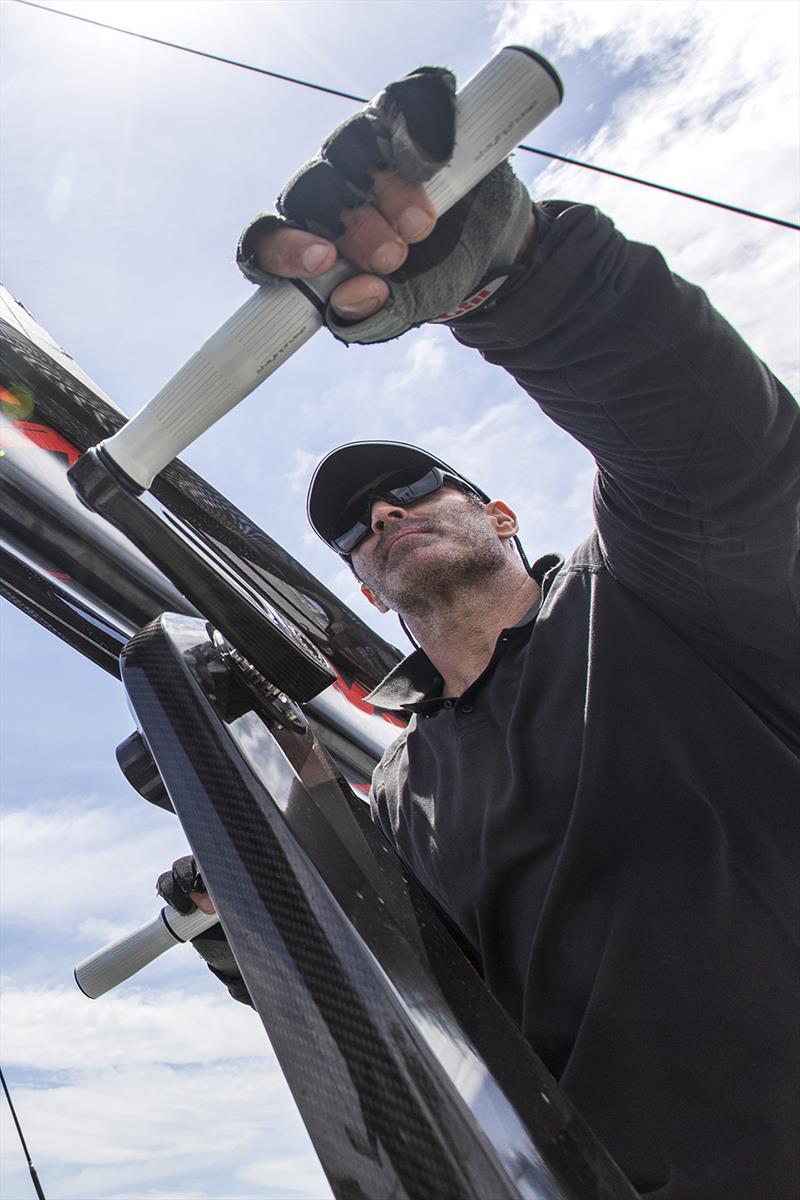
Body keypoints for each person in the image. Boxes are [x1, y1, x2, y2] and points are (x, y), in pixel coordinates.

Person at [158, 67, 800, 1198]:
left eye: (410, 488)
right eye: (358, 529)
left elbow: (715, 454)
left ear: (501, 514)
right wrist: (232, 900)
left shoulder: (650, 593)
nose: (384, 515)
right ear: (365, 589)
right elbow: (391, 992)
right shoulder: (408, 788)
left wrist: (515, 281)